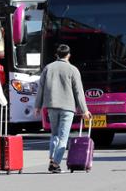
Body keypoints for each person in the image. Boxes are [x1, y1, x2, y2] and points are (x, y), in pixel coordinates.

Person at [33, 44, 91, 174]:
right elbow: (78, 92)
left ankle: (52, 158)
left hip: (51, 107)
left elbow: (40, 88)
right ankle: (55, 163)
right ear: (69, 55)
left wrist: (37, 106)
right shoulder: (73, 70)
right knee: (63, 136)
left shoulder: (48, 68)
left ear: (56, 55)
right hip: (68, 107)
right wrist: (84, 110)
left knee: (55, 134)